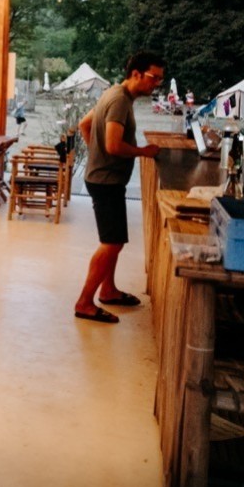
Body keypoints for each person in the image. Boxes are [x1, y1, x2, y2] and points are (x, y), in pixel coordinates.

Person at [73, 51, 165, 325]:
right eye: (153, 78)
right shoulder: (119, 102)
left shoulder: (114, 92)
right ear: (136, 73)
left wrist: (95, 154)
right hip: (106, 181)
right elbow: (113, 145)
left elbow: (84, 124)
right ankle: (84, 302)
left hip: (104, 177)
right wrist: (143, 151)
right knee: (112, 243)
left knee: (114, 241)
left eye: (160, 79)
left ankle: (109, 290)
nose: (156, 84)